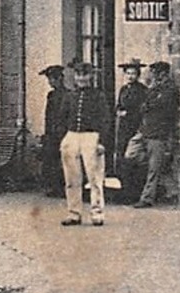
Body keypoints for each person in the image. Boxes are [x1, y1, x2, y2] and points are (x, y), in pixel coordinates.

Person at [59, 61, 111, 227]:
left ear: (91, 77)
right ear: (75, 77)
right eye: (78, 75)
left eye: (85, 75)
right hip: (72, 135)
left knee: (94, 177)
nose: (81, 78)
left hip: (91, 136)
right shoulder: (70, 96)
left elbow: (105, 120)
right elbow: (62, 118)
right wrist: (64, 138)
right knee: (71, 178)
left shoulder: (98, 96)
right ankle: (74, 213)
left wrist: (102, 141)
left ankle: (97, 213)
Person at [132, 60, 180, 207]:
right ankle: (162, 188)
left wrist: (149, 104)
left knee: (154, 169)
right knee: (131, 155)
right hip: (145, 130)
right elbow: (143, 105)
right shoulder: (153, 88)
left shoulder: (170, 89)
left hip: (159, 132)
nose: (151, 75)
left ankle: (147, 198)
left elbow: (161, 105)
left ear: (162, 74)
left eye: (153, 72)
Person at [112, 59, 148, 204]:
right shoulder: (123, 89)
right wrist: (119, 111)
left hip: (134, 127)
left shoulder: (142, 90)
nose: (130, 76)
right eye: (128, 73)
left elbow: (142, 110)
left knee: (133, 161)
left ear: (138, 75)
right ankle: (124, 191)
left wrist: (129, 114)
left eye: (133, 73)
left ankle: (134, 193)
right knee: (121, 159)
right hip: (123, 129)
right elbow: (119, 105)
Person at [39, 63, 69, 198]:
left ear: (61, 79)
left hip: (63, 132)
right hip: (52, 133)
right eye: (50, 79)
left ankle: (63, 187)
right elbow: (48, 116)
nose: (51, 82)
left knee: (63, 161)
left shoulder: (68, 95)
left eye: (54, 79)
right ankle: (54, 187)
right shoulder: (51, 95)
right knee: (51, 160)